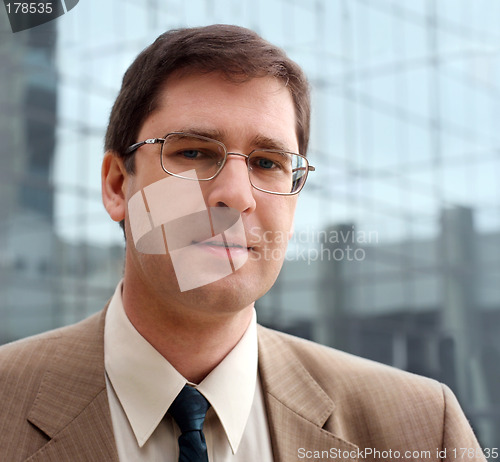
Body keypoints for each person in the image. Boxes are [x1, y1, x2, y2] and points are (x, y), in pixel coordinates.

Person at [0, 25, 486, 462]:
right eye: (193, 152)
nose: (235, 195)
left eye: (268, 163)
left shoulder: (422, 430)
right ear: (115, 185)